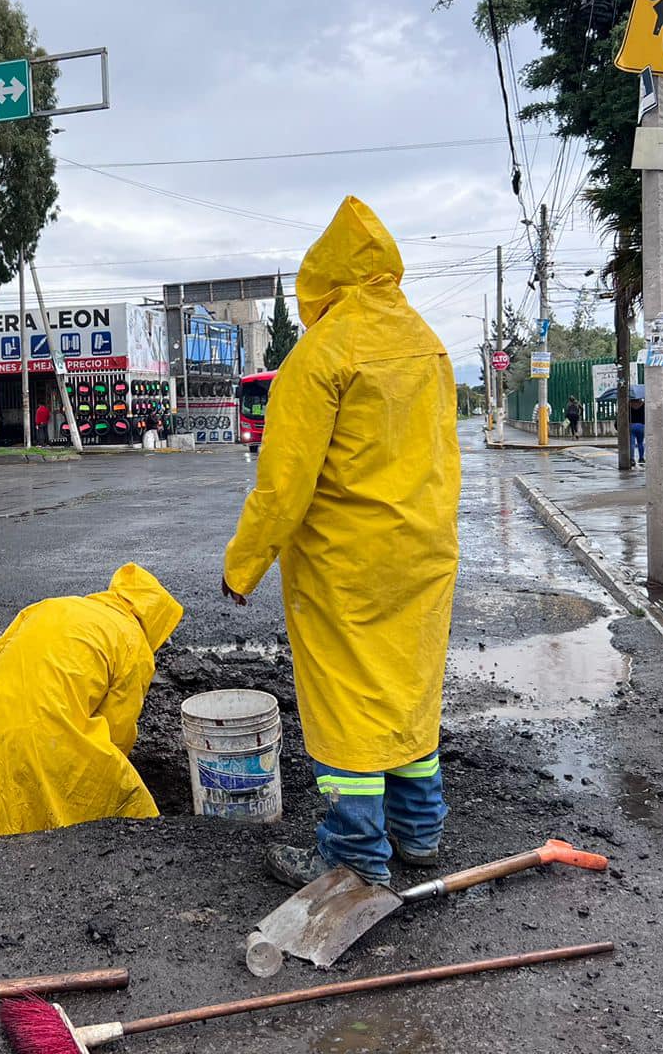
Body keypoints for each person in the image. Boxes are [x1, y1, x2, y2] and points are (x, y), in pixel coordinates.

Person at [222, 196, 460, 889]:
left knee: (348, 709)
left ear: (320, 279)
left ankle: (355, 858)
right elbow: (446, 458)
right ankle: (420, 833)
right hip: (423, 557)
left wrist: (243, 567)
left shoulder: (322, 355)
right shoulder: (428, 343)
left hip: (345, 567)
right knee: (409, 697)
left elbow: (283, 485)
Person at [0, 563, 183, 841]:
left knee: (2, 811)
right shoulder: (135, 645)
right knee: (131, 806)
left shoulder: (55, 605)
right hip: (49, 726)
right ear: (155, 619)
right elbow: (118, 730)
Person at [629, 393, 646, 466]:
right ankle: (641, 458)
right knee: (640, 443)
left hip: (631, 426)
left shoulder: (628, 405)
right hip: (641, 426)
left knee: (632, 443)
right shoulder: (643, 405)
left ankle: (632, 459)